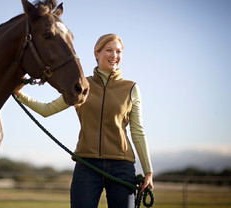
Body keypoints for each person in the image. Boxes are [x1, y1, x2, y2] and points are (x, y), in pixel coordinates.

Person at [14, 34, 154, 208]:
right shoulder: (82, 85)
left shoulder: (131, 88)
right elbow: (47, 110)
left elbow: (137, 131)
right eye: (109, 50)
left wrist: (148, 170)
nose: (114, 55)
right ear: (97, 53)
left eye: (118, 51)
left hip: (122, 167)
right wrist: (19, 94)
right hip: (87, 166)